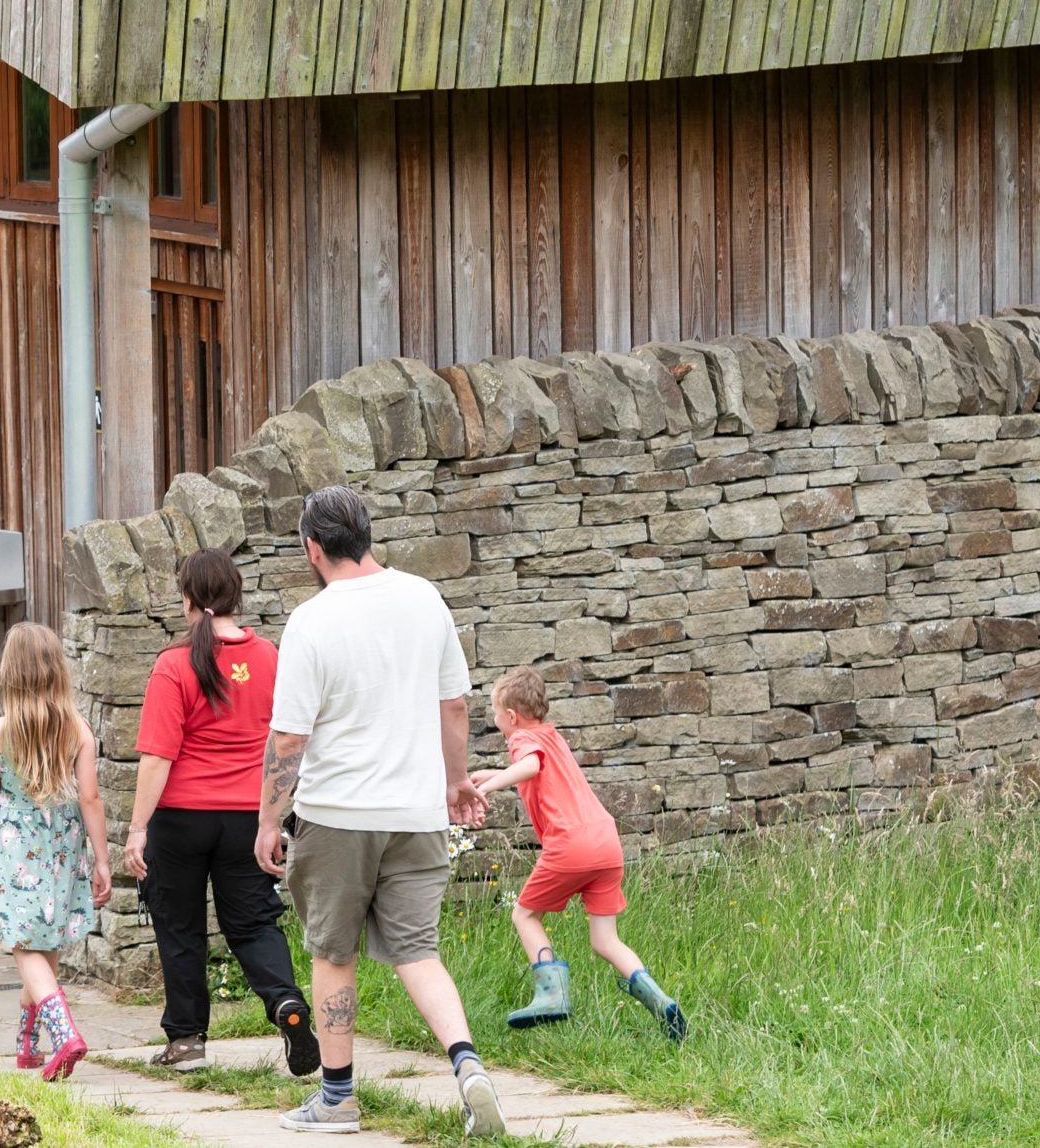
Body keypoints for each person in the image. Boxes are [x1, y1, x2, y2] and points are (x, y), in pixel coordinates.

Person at [257, 487, 505, 1138]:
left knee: (333, 952)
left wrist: (266, 821)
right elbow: (454, 705)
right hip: (418, 811)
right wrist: (455, 784)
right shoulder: (425, 599)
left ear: (313, 548)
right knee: (417, 951)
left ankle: (337, 1100)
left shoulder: (312, 621)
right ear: (366, 535)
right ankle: (468, 1067)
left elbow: (289, 740)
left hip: (338, 815)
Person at [125, 547, 318, 1077]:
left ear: (188, 598)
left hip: (181, 819)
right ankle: (286, 1005)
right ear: (236, 594)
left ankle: (186, 1044)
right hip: (248, 818)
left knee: (179, 925)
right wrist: (273, 818)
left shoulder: (174, 664)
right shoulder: (270, 658)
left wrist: (138, 828)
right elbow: (288, 738)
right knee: (254, 923)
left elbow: (158, 755)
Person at [470, 667, 686, 1041]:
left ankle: (551, 995)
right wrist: (489, 773)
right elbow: (538, 769)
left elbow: (531, 765)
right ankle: (661, 1002)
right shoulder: (550, 736)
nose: (495, 721)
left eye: (494, 714)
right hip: (606, 842)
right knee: (605, 941)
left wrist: (488, 786)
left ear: (510, 717)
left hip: (571, 845)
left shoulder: (520, 740)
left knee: (524, 914)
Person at [0, 620, 113, 1081]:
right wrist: (101, 859)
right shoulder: (78, 730)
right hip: (63, 845)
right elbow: (90, 798)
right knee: (45, 939)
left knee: (22, 942)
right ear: (56, 672)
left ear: (11, 672)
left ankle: (64, 1031)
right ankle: (28, 1045)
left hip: (14, 848)